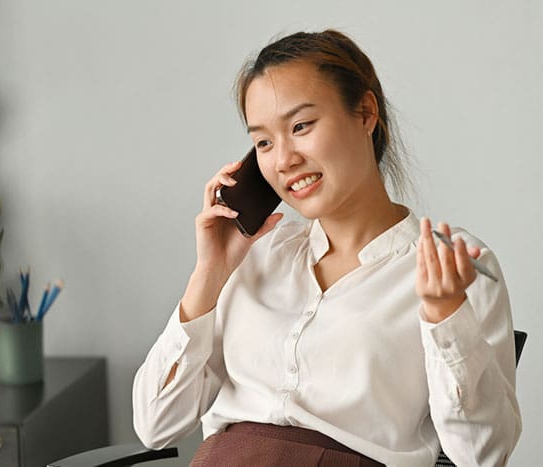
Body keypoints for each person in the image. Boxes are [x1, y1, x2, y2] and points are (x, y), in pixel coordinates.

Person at [132, 30, 521, 467]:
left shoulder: (453, 263)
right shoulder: (258, 254)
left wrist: (445, 315)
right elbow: (155, 425)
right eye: (263, 141)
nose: (283, 160)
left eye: (300, 127)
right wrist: (209, 275)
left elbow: (483, 456)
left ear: (365, 113)